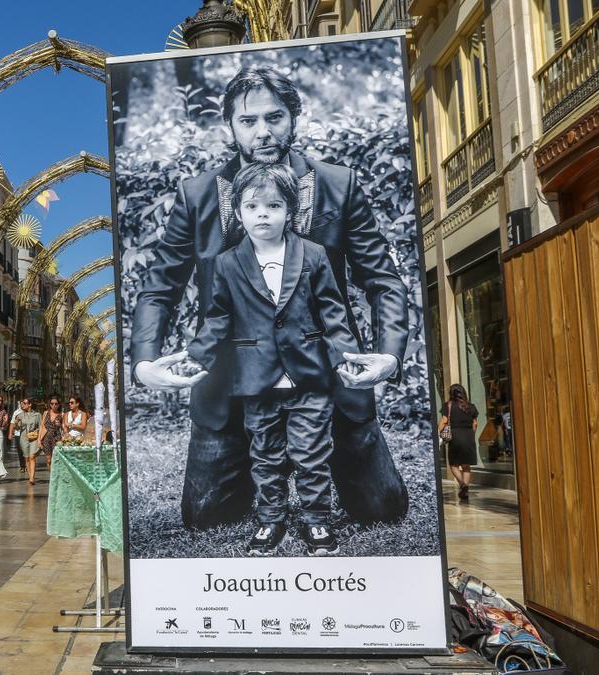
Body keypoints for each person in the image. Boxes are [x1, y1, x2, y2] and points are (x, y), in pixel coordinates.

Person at [130, 65, 410, 528]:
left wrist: (389, 357)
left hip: (329, 375)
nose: (263, 131)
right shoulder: (197, 194)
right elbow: (160, 286)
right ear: (230, 126)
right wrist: (143, 362)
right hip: (230, 384)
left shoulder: (338, 185)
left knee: (383, 510)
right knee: (206, 518)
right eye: (248, 120)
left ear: (294, 116)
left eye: (274, 117)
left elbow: (382, 278)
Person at [189, 163, 360, 556]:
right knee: (264, 454)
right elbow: (218, 318)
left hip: (310, 376)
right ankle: (271, 520)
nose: (262, 213)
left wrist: (346, 356)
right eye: (252, 206)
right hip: (256, 378)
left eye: (273, 205)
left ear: (291, 211)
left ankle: (317, 521)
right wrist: (196, 356)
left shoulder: (313, 254)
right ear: (238, 212)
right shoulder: (228, 263)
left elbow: (333, 311)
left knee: (311, 453)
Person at [440, 383, 479, 500]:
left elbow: (444, 421)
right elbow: (475, 423)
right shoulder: (471, 406)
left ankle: (462, 484)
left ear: (451, 394)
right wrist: (471, 434)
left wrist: (438, 434)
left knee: (453, 464)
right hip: (469, 437)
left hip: (455, 437)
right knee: (466, 466)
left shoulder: (448, 406)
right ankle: (465, 489)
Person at [10, 398, 44, 485]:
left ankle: (32, 478)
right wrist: (16, 423)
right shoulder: (20, 415)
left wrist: (40, 439)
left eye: (24, 403)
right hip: (23, 438)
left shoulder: (37, 415)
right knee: (26, 457)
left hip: (34, 437)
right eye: (22, 404)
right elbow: (17, 428)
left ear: (30, 404)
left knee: (32, 456)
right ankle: (30, 476)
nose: (22, 405)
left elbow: (41, 427)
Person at [39, 396, 64, 470]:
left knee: (56, 459)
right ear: (50, 404)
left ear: (59, 405)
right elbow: (42, 426)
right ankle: (51, 477)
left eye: (56, 404)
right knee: (48, 460)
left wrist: (60, 425)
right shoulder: (46, 413)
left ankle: (55, 477)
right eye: (52, 403)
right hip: (46, 438)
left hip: (56, 438)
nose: (54, 405)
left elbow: (64, 427)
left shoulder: (62, 414)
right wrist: (39, 440)